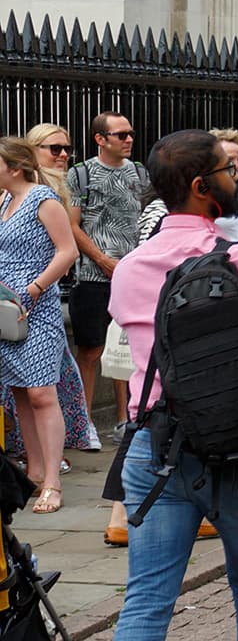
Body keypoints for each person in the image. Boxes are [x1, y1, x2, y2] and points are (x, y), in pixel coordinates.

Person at [108, 129, 238, 641]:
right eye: (226, 169)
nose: (233, 176)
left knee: (148, 598)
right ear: (203, 186)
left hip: (156, 446)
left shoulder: (130, 268)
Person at [0, 136, 76, 514]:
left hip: (36, 307)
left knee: (42, 393)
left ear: (14, 166)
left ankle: (53, 482)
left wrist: (34, 289)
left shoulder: (43, 200)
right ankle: (33, 472)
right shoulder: (2, 202)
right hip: (5, 310)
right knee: (19, 393)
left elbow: (68, 251)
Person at [65, 111, 147, 449]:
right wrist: (101, 259)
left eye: (130, 133)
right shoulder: (81, 175)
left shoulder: (140, 173)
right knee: (91, 348)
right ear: (100, 139)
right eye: (120, 134)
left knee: (126, 347)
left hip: (132, 272)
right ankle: (85, 425)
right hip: (92, 274)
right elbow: (72, 224)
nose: (128, 139)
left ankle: (124, 418)